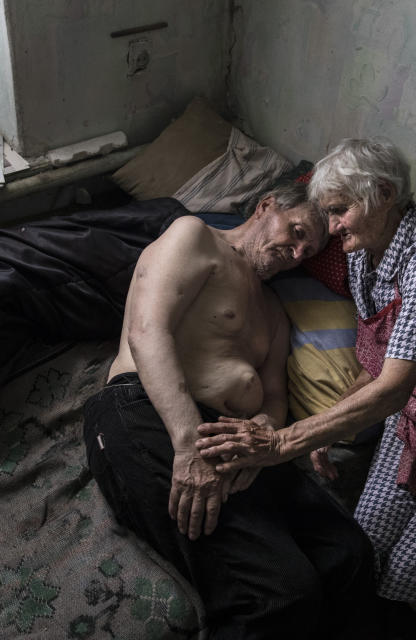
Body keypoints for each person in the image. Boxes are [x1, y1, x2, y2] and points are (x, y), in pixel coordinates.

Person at [196, 139, 416, 640]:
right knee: (363, 544)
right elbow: (381, 362)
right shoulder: (364, 257)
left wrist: (284, 442)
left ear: (383, 194)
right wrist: (324, 429)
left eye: (340, 211)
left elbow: (391, 390)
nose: (332, 227)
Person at [82, 181, 379, 640]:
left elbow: (276, 397)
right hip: (148, 411)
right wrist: (187, 446)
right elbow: (147, 332)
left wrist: (262, 431)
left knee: (351, 553)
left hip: (233, 438)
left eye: (309, 249)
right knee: (280, 593)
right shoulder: (194, 237)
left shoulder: (275, 312)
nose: (298, 252)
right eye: (296, 231)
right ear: (265, 206)